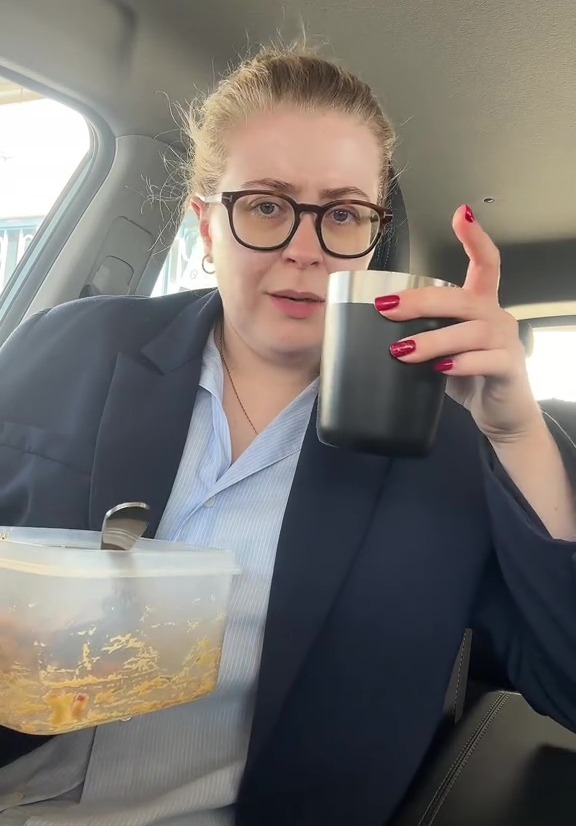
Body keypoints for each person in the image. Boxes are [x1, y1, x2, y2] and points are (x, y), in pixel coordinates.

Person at [0, 41, 575, 826]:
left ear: (372, 235)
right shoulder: (71, 346)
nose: (305, 249)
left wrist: (517, 434)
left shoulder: (447, 445)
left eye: (341, 213)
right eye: (266, 205)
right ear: (205, 223)